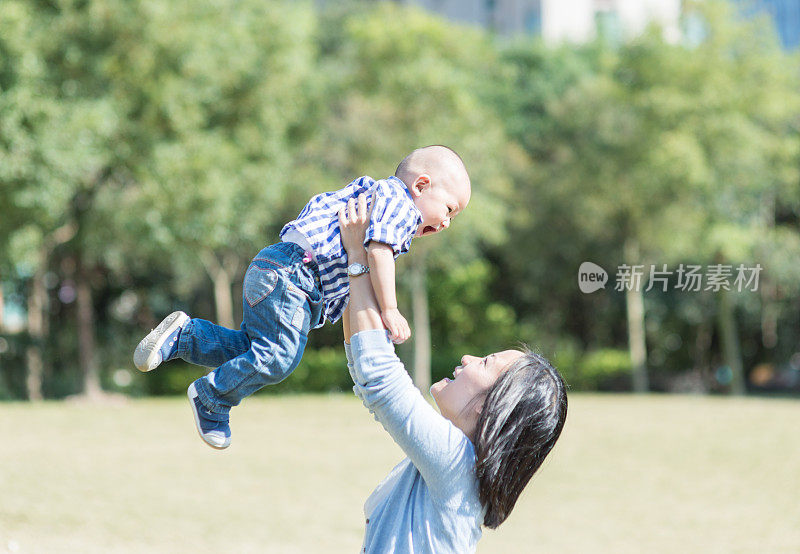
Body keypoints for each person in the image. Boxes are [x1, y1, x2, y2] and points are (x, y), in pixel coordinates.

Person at [133, 145, 471, 449]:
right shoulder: (400, 205)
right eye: (449, 209)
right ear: (421, 186)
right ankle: (212, 397)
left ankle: (185, 337)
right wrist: (391, 309)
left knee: (255, 352)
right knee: (280, 358)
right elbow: (380, 253)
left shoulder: (373, 195)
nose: (446, 223)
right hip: (295, 276)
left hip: (277, 268)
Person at [339, 194, 567, 553]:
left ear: (491, 408)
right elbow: (365, 367)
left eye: (487, 362)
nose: (468, 357)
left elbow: (377, 376)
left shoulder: (456, 462)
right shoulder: (458, 468)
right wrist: (357, 262)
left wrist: (357, 257)